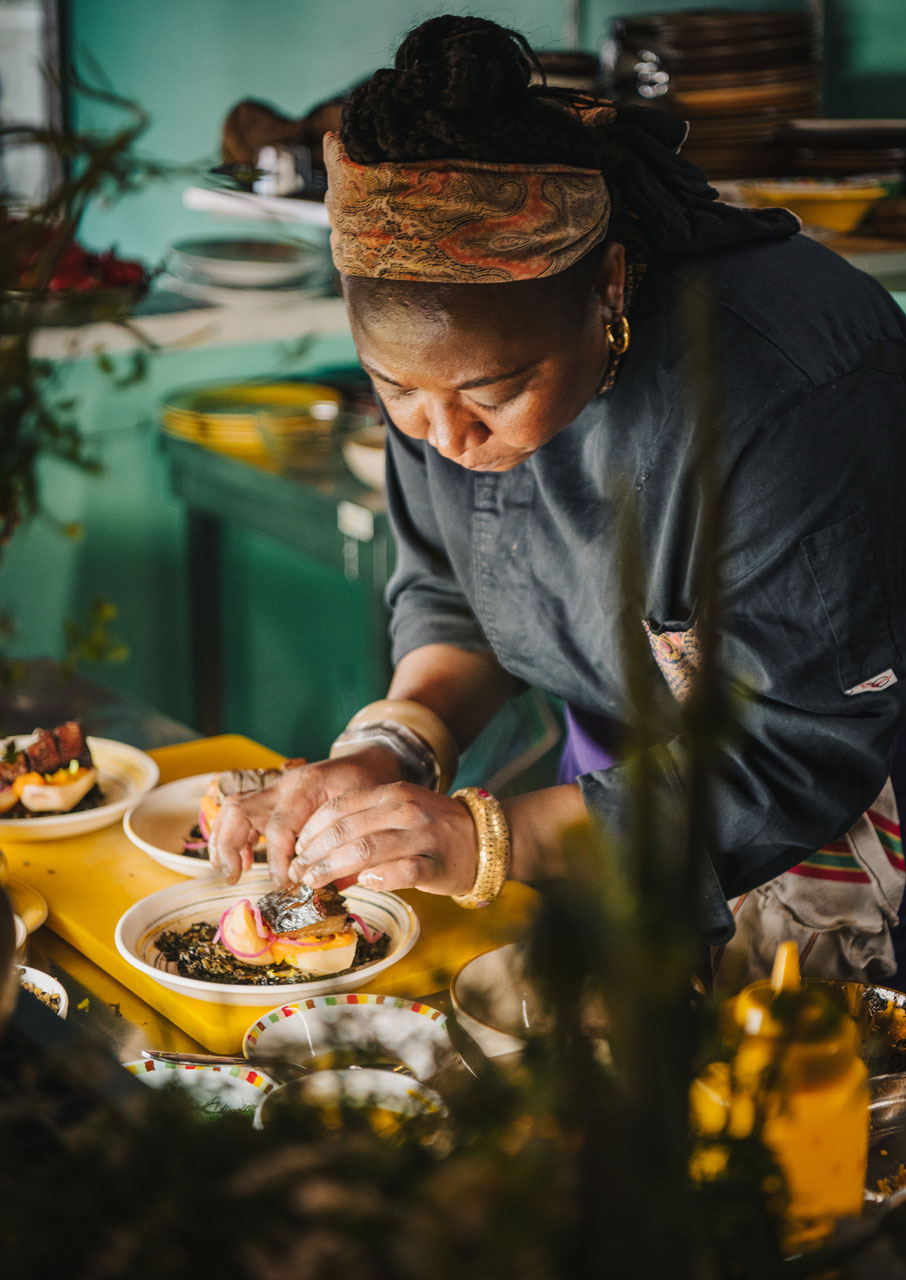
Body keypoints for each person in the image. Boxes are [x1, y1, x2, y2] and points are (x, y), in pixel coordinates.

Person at [210, 15, 906, 987]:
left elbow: (797, 750)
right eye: (396, 389)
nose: (445, 438)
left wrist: (485, 840)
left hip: (842, 838)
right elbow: (460, 591)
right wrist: (389, 748)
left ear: (608, 287)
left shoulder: (788, 395)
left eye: (493, 394)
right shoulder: (441, 381)